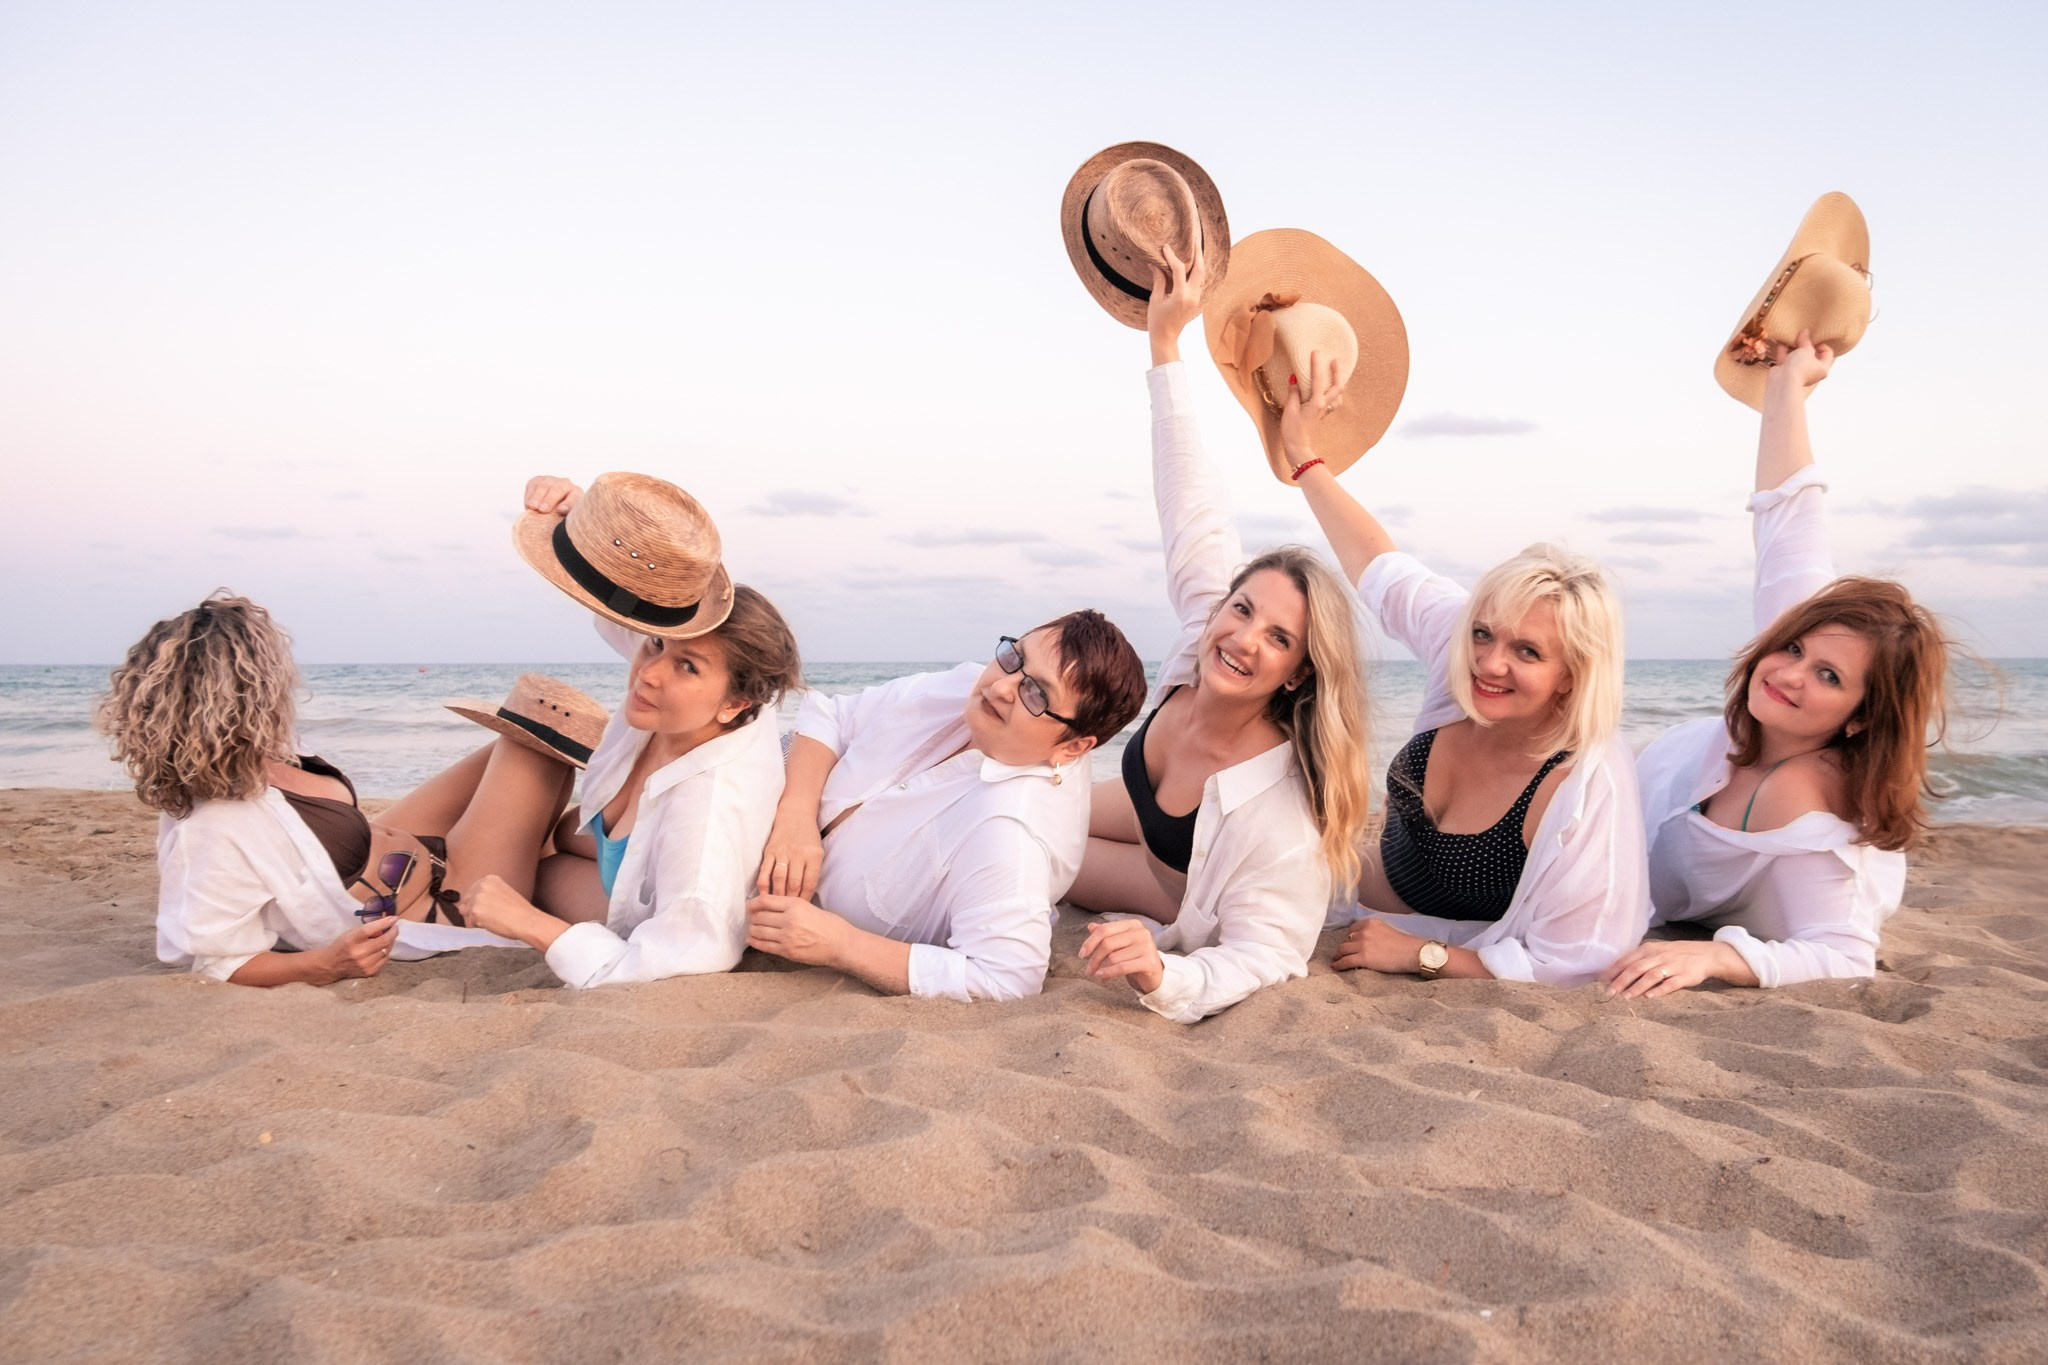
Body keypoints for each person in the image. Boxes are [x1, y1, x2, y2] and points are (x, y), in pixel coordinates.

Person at [1268, 340, 1648, 984]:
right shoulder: (1462, 645)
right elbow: (1377, 566)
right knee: (1140, 835)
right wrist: (1305, 458)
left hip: (1387, 930)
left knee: (1137, 866)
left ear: (1573, 677)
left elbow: (1585, 957)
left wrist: (1423, 955)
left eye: (1527, 652)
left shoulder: (1584, 786)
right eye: (1483, 634)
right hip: (1337, 887)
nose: (1489, 663)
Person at [1065, 241, 1376, 1023]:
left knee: (1026, 845)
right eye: (1243, 610)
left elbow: (1268, 954)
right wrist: (1165, 345)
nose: (1244, 639)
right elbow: (1191, 503)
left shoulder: (1283, 805)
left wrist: (1159, 973)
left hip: (1173, 882)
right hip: (1141, 811)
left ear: (1300, 673)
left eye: (1279, 639)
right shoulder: (1205, 637)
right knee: (1000, 786)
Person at [1604, 330, 1953, 996]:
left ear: (1859, 717)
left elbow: (1844, 954)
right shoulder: (1795, 653)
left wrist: (1715, 959)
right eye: (1794, 648)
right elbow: (1790, 515)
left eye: (1829, 676)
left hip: (1650, 850)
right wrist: (1787, 384)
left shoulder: (1822, 834)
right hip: (1640, 783)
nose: (1790, 671)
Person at [101, 595, 572, 985]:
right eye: (272, 667)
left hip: (404, 850)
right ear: (248, 690)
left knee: (521, 735)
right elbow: (218, 959)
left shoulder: (271, 749)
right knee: (538, 750)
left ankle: (539, 860)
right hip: (438, 901)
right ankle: (539, 870)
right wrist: (324, 965)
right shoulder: (213, 824)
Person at [462, 473, 802, 988]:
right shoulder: (679, 699)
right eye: (654, 645)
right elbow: (622, 612)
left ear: (735, 702)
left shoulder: (709, 811)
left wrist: (527, 923)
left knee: (436, 871)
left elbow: (688, 954)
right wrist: (588, 518)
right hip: (601, 876)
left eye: (688, 667)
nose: (648, 672)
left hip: (631, 906)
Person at [745, 613, 1147, 1002]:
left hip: (763, 906)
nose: (1004, 687)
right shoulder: (970, 688)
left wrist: (841, 945)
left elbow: (1006, 978)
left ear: (1073, 746)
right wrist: (796, 818)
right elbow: (831, 716)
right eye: (1015, 657)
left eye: (1037, 694)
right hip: (769, 796)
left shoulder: (1010, 830)